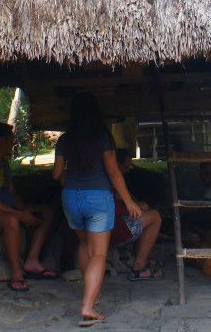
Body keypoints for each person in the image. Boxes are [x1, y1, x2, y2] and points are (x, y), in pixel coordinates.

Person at [53, 92, 142, 327]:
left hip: (71, 198)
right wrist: (129, 201)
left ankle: (91, 294)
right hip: (99, 199)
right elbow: (113, 172)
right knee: (100, 254)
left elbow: (56, 174)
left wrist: (69, 183)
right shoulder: (103, 137)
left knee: (84, 244)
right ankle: (88, 305)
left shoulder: (65, 140)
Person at [0, 122, 59, 292]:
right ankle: (17, 273)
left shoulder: (3, 163)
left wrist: (25, 208)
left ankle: (32, 260)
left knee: (46, 212)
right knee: (12, 220)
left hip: (8, 209)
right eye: (11, 139)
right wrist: (18, 214)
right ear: (1, 140)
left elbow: (12, 193)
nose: (13, 143)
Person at [111, 149, 164, 280]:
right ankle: (139, 267)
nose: (128, 169)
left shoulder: (98, 179)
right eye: (126, 166)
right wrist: (138, 205)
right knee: (154, 216)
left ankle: (140, 257)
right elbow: (126, 201)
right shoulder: (113, 180)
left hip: (100, 227)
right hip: (113, 229)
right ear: (116, 164)